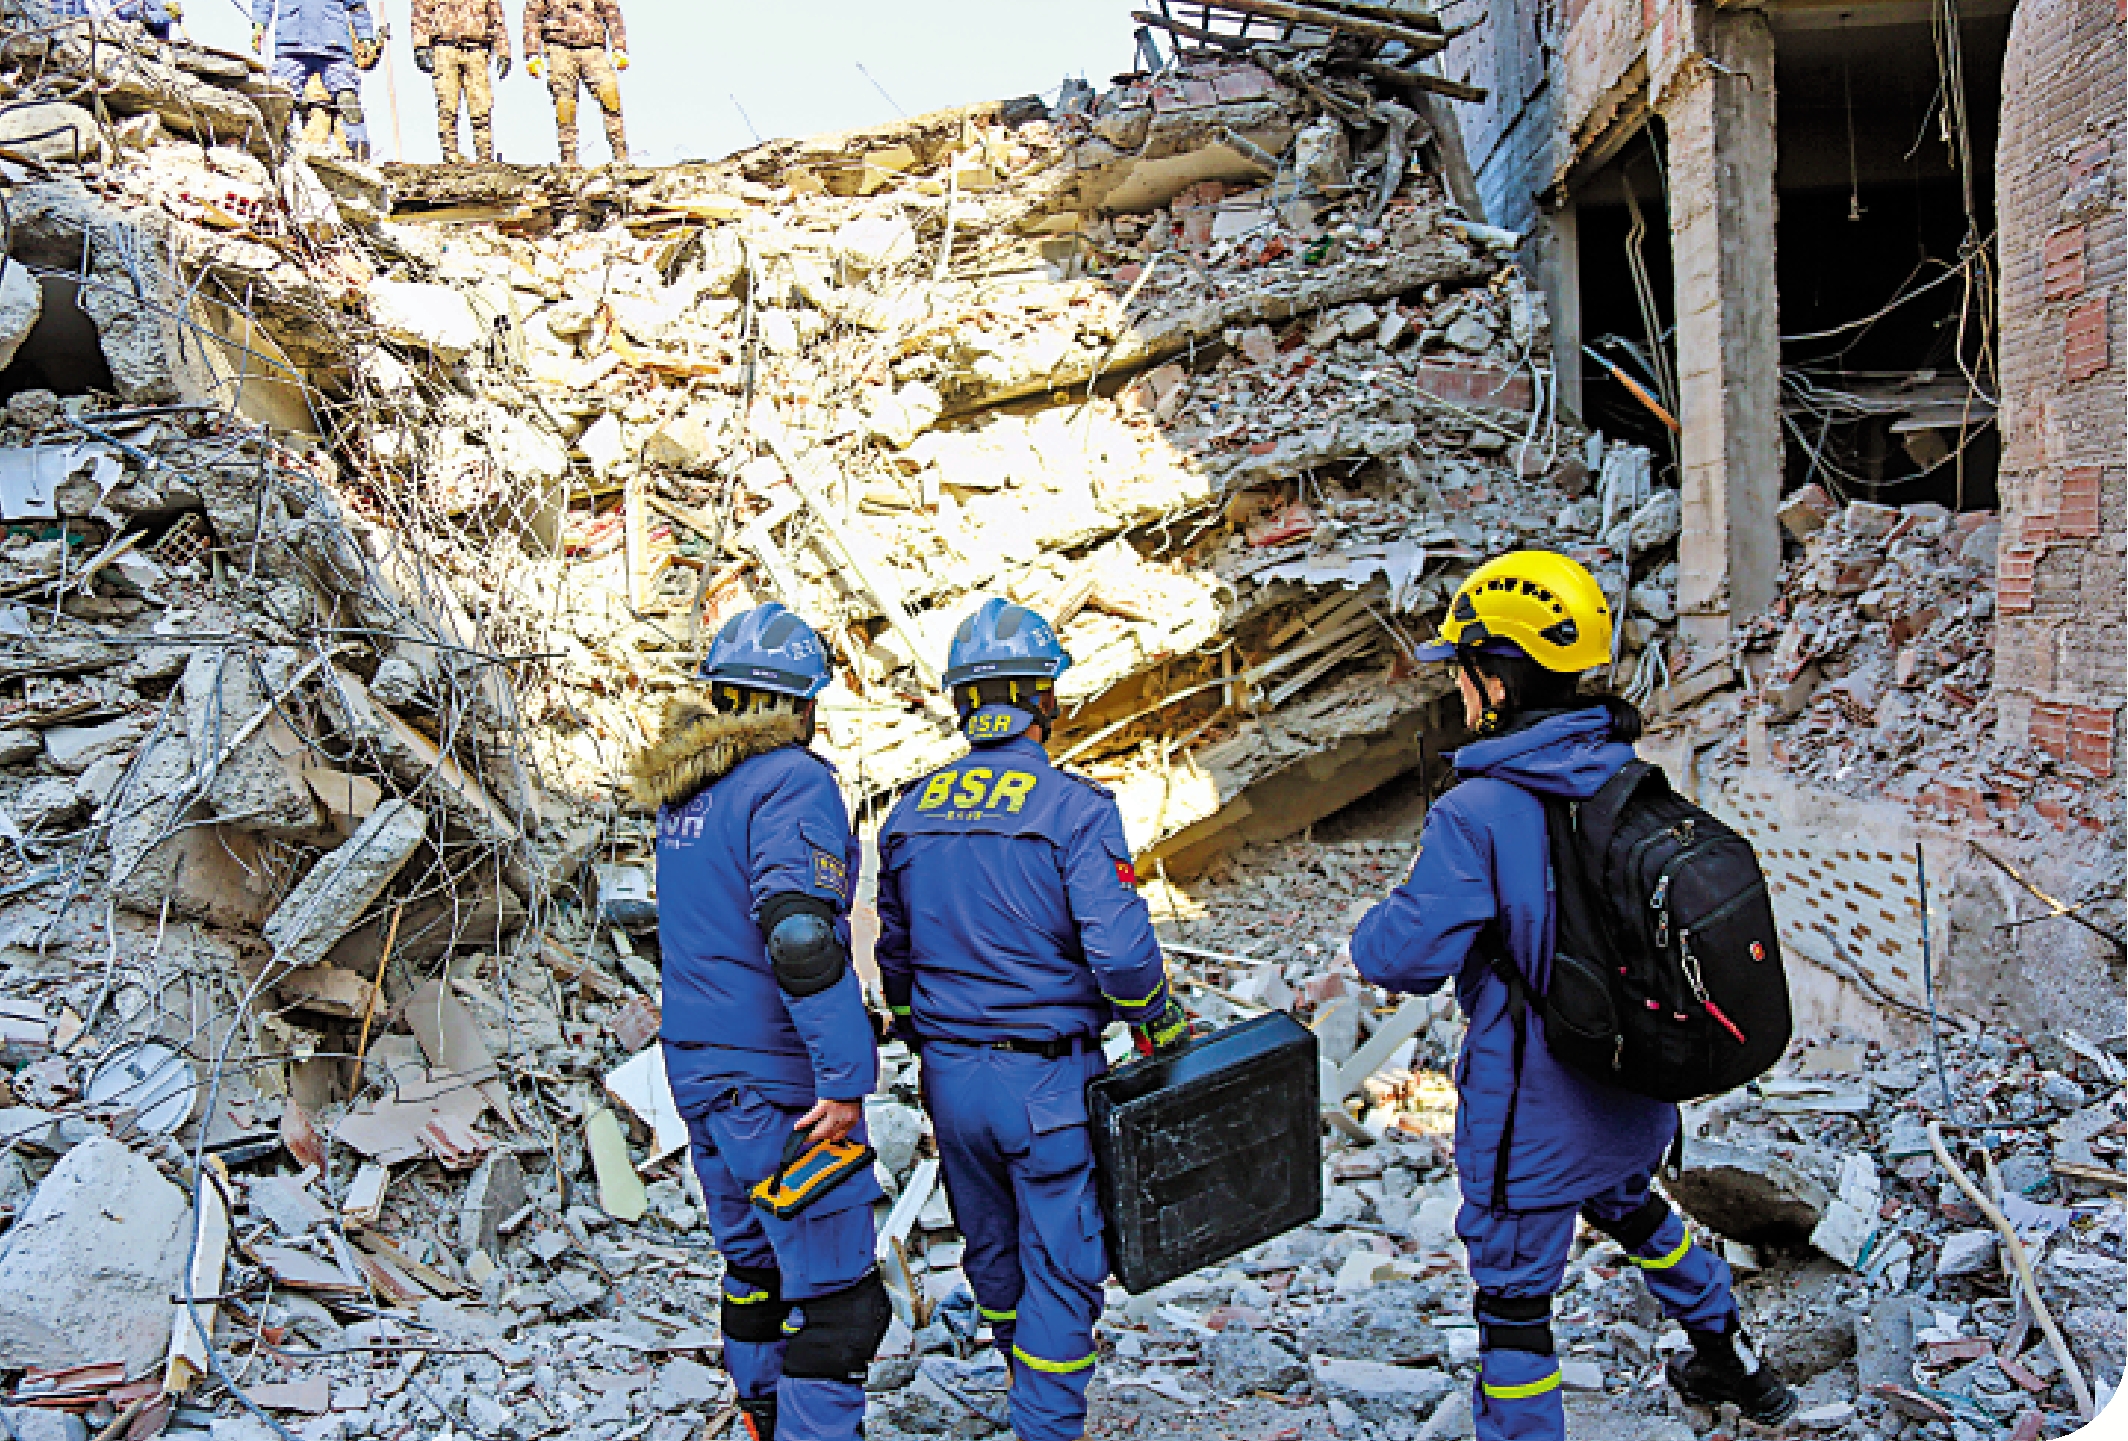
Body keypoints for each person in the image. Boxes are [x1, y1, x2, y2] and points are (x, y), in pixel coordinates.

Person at [1346, 551, 1797, 1441]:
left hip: (1534, 1107)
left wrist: (1371, 927)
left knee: (1514, 1305)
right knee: (1635, 1210)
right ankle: (1740, 1366)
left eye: (1467, 670)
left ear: (1498, 677)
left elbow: (1401, 959)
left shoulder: (1478, 812)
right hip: (1631, 1083)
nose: (1461, 690)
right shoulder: (1619, 770)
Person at [876, 598, 1189, 1441]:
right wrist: (1160, 1028)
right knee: (1063, 1262)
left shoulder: (909, 813)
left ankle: (1027, 1389)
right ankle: (1046, 1424)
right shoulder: (1074, 810)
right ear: (1043, 698)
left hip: (951, 1077)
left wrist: (923, 1034)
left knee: (993, 1247)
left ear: (963, 700)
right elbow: (1123, 962)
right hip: (1045, 1081)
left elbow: (894, 966)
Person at [631, 603, 890, 1441]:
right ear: (803, 706)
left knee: (754, 1270)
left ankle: (764, 1422)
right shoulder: (793, 780)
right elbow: (801, 934)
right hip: (776, 1083)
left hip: (702, 1077)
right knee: (843, 1308)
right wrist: (848, 1076)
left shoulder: (690, 793)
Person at [251, 0, 379, 161]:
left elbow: (357, 5)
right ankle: (272, 150)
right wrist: (259, 22)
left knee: (347, 101)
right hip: (293, 42)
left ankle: (359, 154)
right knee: (279, 99)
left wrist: (365, 35)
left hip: (332, 44)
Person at [520, 0, 627, 166]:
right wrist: (532, 53)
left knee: (611, 99)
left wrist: (619, 47)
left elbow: (611, 10)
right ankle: (569, 161)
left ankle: (621, 158)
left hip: (592, 47)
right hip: (558, 47)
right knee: (565, 105)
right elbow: (532, 13)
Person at [412, 0, 509, 163]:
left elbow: (495, 12)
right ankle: (450, 155)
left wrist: (503, 49)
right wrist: (420, 44)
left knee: (481, 107)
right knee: (447, 105)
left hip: (477, 47)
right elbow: (421, 8)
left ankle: (484, 157)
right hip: (444, 47)